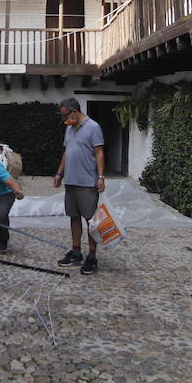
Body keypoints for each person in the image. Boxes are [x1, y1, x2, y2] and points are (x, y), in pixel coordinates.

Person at [54, 97, 106, 274]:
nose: (64, 119)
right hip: (71, 182)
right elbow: (66, 152)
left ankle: (92, 256)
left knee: (91, 221)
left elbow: (99, 153)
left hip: (87, 183)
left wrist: (100, 176)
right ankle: (76, 252)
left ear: (74, 112)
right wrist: (59, 173)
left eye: (65, 115)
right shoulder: (69, 128)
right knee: (73, 217)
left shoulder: (93, 127)